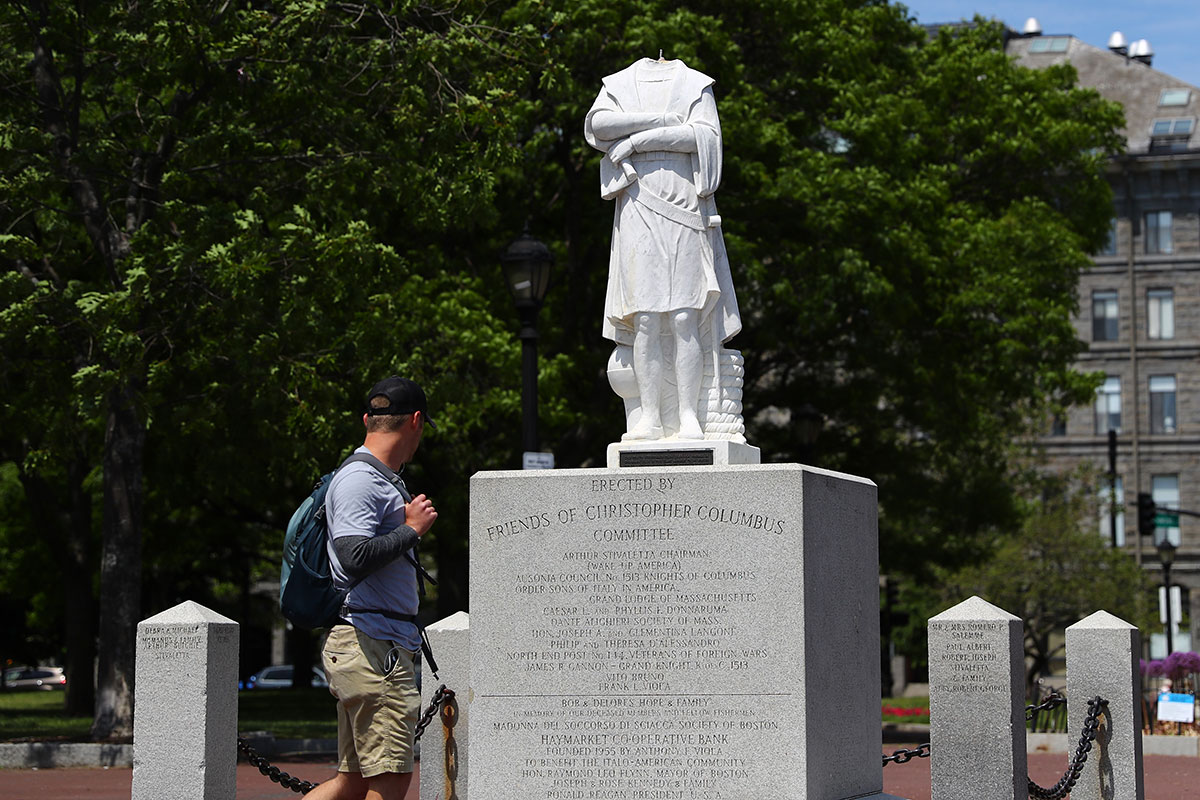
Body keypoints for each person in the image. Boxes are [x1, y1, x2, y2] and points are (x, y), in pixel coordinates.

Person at [584, 56, 741, 441]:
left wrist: (637, 140)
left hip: (685, 200)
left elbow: (702, 137)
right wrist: (662, 120)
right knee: (647, 319)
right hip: (639, 201)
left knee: (686, 316)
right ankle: (650, 417)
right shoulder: (619, 82)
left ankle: (689, 415)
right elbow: (598, 126)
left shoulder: (695, 83)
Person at [307, 376, 438, 800]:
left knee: (353, 782)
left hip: (369, 644)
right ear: (416, 421)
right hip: (373, 646)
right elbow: (352, 557)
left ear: (368, 419)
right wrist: (412, 530)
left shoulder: (378, 478)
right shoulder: (361, 480)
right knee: (390, 779)